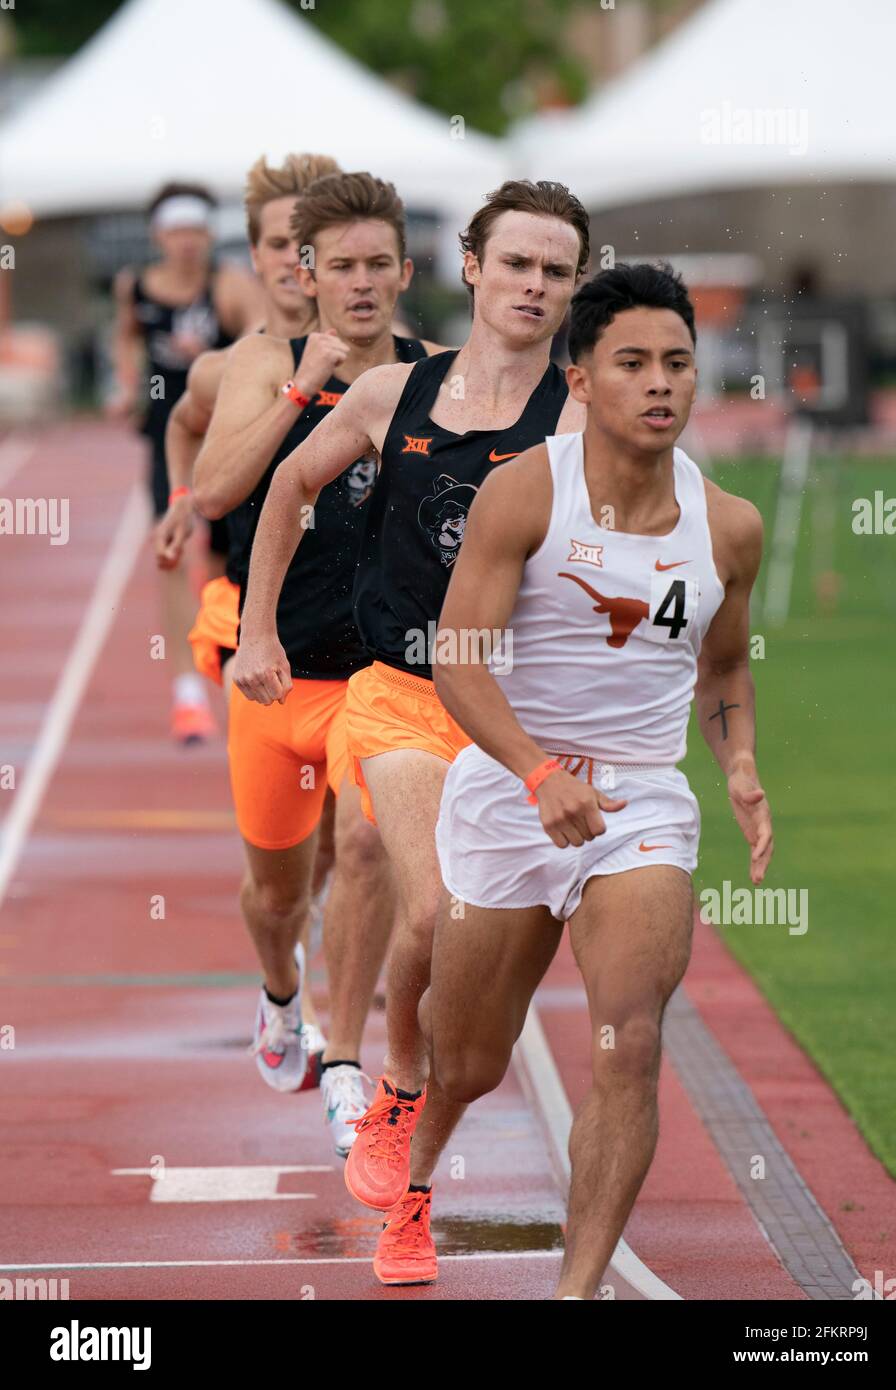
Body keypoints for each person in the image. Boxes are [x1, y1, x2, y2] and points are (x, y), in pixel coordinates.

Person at [233, 179, 590, 1283]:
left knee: (482, 978)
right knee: (427, 910)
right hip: (401, 694)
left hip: (521, 710)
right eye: (517, 263)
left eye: (557, 271)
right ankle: (390, 1089)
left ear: (573, 288)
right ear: (473, 268)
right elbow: (289, 484)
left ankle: (420, 1168)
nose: (534, 285)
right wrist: (255, 629)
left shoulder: (580, 420)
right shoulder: (393, 391)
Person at [428, 262, 774, 1299]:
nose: (660, 382)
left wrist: (742, 762)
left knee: (628, 1036)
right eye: (632, 362)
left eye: (677, 361)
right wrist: (536, 771)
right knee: (468, 1060)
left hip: (639, 805)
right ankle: (413, 1164)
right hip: (508, 789)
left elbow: (722, 668)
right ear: (581, 379)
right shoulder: (527, 488)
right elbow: (458, 656)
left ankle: (576, 1290)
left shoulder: (730, 526)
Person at [195, 170, 445, 1156]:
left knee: (369, 846)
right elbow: (215, 491)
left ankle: (347, 1060)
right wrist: (307, 387)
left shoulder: (437, 373)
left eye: (379, 264)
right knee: (275, 893)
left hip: (380, 678)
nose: (362, 282)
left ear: (406, 271)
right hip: (274, 672)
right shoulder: (267, 362)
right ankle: (281, 991)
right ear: (309, 272)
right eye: (342, 265)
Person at [153, 154, 340, 699]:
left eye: (307, 245)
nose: (293, 260)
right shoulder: (224, 367)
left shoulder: (381, 355)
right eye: (279, 244)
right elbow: (183, 424)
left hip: (357, 624)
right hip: (259, 622)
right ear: (254, 255)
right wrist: (181, 496)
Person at [110, 181, 263, 742]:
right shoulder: (137, 287)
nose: (188, 242)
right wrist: (127, 384)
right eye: (177, 231)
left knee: (225, 560)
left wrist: (220, 360)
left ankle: (219, 660)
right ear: (159, 235)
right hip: (167, 439)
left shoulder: (227, 286)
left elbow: (260, 335)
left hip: (224, 439)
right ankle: (185, 691)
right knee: (170, 552)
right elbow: (126, 337)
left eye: (197, 230)